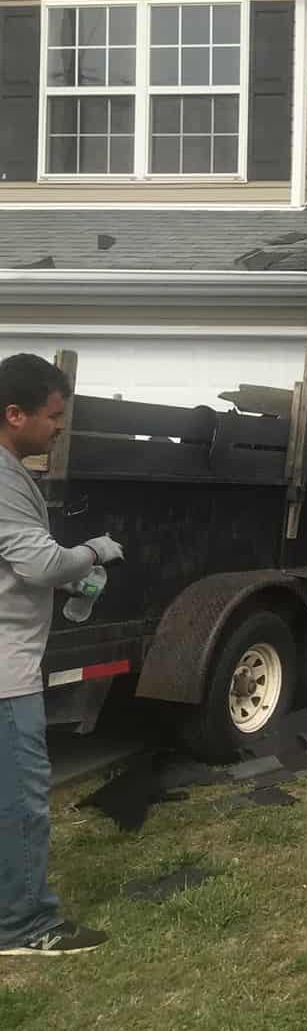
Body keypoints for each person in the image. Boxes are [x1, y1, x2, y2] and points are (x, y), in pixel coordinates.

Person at [0, 353, 124, 957]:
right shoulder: (1, 477)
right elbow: (42, 562)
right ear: (14, 413)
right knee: (21, 800)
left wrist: (67, 580)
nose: (59, 427)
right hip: (4, 674)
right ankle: (25, 927)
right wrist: (96, 552)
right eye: (52, 417)